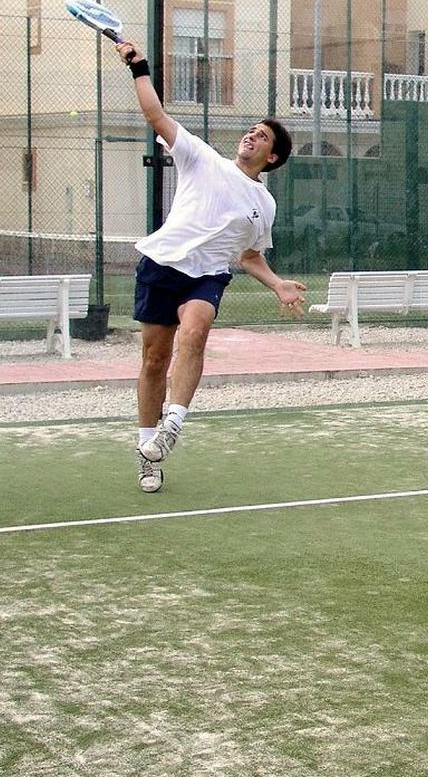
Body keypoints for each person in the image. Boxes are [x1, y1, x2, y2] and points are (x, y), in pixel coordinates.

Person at [115, 38, 306, 493]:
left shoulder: (264, 203)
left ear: (272, 157)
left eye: (262, 136)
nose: (251, 136)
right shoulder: (200, 157)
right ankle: (147, 452)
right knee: (153, 360)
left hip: (207, 276)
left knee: (196, 331)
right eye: (251, 130)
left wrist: (277, 284)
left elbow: (248, 255)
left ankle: (173, 424)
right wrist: (139, 66)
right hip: (161, 265)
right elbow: (155, 116)